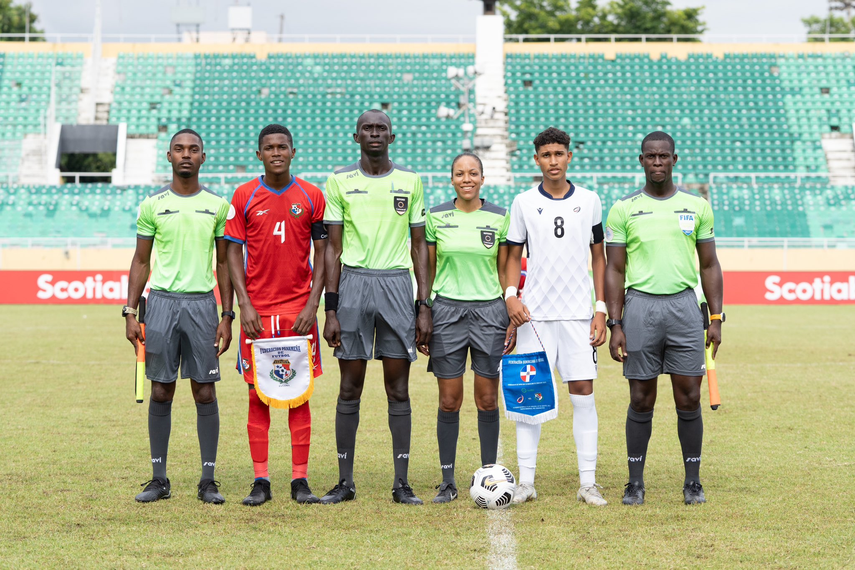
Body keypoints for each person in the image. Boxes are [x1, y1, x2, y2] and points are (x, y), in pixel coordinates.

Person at [604, 131, 723, 506]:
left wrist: (716, 316)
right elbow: (614, 270)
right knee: (641, 397)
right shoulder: (624, 208)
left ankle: (692, 481)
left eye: (663, 156)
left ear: (675, 159)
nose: (657, 162)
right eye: (650, 157)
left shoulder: (696, 205)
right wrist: (615, 323)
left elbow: (709, 263)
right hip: (639, 307)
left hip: (685, 309)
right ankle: (635, 482)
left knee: (689, 397)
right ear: (641, 160)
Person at [320, 109, 431, 505]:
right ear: (356, 136)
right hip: (353, 284)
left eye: (381, 128)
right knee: (349, 386)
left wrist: (423, 305)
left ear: (392, 136)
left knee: (397, 388)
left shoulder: (410, 181)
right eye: (367, 128)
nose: (374, 133)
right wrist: (331, 309)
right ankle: (345, 482)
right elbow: (332, 248)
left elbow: (420, 246)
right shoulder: (339, 180)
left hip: (396, 285)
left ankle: (401, 483)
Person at [125, 129, 234, 504]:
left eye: (193, 150)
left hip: (203, 305)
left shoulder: (220, 206)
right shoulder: (151, 205)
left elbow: (223, 263)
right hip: (161, 304)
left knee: (204, 391)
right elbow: (141, 260)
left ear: (204, 157)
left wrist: (227, 314)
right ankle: (159, 479)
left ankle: (208, 480)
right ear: (169, 157)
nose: (186, 155)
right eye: (179, 149)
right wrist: (129, 310)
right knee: (160, 389)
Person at [504, 127, 608, 506]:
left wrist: (600, 308)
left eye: (559, 154)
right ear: (536, 159)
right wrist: (511, 296)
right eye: (545, 154)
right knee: (528, 400)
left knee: (583, 395)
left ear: (568, 157)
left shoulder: (591, 200)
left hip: (579, 316)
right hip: (535, 318)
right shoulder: (524, 202)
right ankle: (526, 483)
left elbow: (599, 256)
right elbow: (513, 255)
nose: (553, 160)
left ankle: (588, 483)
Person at [225, 124, 327, 506]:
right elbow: (232, 252)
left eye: (282, 146)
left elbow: (324, 254)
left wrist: (312, 304)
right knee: (258, 396)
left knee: (298, 394)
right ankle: (261, 479)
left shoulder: (311, 195)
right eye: (269, 147)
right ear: (259, 154)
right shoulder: (244, 195)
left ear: (293, 151)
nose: (276, 152)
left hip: (299, 312)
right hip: (258, 313)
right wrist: (244, 304)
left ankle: (300, 481)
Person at [423, 152, 510, 504]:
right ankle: (447, 480)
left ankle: (489, 473)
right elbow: (427, 271)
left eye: (473, 173)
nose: (467, 179)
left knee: (487, 399)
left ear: (483, 178)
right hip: (446, 312)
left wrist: (509, 308)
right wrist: (424, 312)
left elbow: (506, 270)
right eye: (460, 173)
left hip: (490, 312)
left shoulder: (500, 217)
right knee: (449, 400)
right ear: (452, 179)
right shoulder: (436, 217)